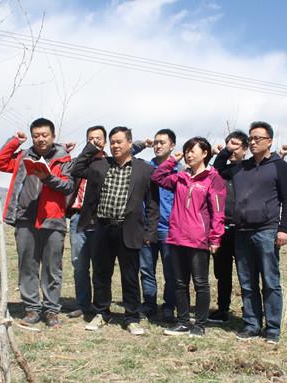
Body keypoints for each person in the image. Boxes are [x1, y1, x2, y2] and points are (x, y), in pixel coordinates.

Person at [70, 126, 159, 335]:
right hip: (102, 227)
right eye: (112, 142)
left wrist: (150, 232)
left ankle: (131, 317)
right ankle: (102, 312)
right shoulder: (100, 165)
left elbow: (153, 205)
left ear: (130, 143)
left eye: (119, 142)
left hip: (129, 229)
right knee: (101, 274)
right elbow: (76, 169)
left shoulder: (144, 169)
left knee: (130, 276)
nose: (115, 146)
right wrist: (91, 147)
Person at [214, 121, 287, 344]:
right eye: (251, 138)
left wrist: (284, 229)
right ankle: (251, 324)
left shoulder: (279, 166)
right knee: (247, 282)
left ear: (270, 141)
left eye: (258, 138)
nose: (253, 142)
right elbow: (218, 169)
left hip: (267, 230)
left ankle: (273, 328)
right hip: (242, 231)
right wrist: (228, 149)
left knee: (270, 280)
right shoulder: (242, 167)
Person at [0, 118, 74, 328]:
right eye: (36, 136)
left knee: (52, 268)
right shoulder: (23, 157)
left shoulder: (64, 159)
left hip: (53, 220)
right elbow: (0, 162)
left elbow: (68, 186)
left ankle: (51, 310)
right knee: (27, 266)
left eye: (45, 135)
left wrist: (47, 177)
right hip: (25, 219)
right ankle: (31, 308)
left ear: (53, 136)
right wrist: (15, 141)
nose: (40, 139)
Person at [151, 137, 226, 337]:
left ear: (205, 153)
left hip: (198, 239)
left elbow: (218, 212)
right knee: (179, 282)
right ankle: (183, 322)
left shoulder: (213, 178)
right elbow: (157, 177)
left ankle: (199, 325)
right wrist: (171, 161)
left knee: (200, 283)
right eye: (187, 151)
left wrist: (215, 238)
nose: (189, 154)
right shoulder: (180, 177)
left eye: (193, 151)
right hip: (176, 237)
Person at [207, 130, 249, 323]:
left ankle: (249, 309)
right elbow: (215, 167)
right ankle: (222, 309)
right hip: (222, 229)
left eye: (236, 146)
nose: (232, 150)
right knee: (222, 273)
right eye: (229, 145)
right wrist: (225, 151)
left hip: (243, 229)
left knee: (246, 272)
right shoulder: (221, 171)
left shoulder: (249, 169)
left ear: (246, 149)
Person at [139, 128, 180, 324]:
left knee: (171, 272)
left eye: (162, 142)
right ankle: (149, 304)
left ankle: (169, 306)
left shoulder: (180, 170)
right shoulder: (146, 167)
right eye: (155, 142)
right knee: (146, 269)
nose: (157, 146)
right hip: (147, 227)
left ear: (172, 145)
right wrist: (141, 144)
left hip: (169, 228)